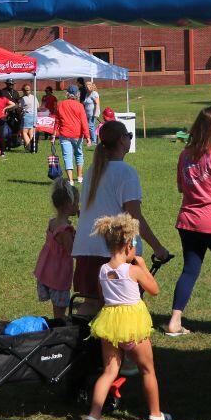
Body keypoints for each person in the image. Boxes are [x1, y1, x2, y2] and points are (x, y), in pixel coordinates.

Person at [72, 120, 169, 316]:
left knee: (91, 303)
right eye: (129, 136)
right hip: (113, 249)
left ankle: (79, 343)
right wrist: (158, 247)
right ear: (122, 141)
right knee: (124, 308)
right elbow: (134, 216)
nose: (130, 139)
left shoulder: (93, 170)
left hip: (87, 247)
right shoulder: (126, 172)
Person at [83, 213, 171, 420]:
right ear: (128, 245)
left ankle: (94, 417)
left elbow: (104, 298)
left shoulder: (103, 270)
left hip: (110, 325)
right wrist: (141, 266)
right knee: (147, 369)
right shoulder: (132, 270)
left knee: (110, 370)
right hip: (132, 325)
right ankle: (155, 415)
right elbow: (155, 290)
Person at [164, 106, 211, 336]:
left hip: (188, 221)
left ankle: (174, 321)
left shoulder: (185, 155)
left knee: (190, 270)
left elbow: (181, 187)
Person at [34, 178, 77, 320]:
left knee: (56, 309)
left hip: (48, 270)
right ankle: (58, 333)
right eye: (76, 202)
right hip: (59, 275)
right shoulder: (66, 231)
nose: (78, 206)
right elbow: (73, 252)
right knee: (60, 314)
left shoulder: (53, 222)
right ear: (68, 205)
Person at [55, 86, 92, 185]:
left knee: (67, 156)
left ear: (67, 93)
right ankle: (80, 177)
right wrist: (88, 137)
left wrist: (54, 134)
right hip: (77, 134)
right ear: (77, 94)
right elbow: (84, 122)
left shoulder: (60, 104)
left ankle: (70, 180)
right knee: (79, 155)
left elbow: (57, 121)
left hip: (64, 134)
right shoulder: (80, 106)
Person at [20, 84, 38, 153]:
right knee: (31, 132)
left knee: (24, 132)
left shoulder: (23, 98)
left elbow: (20, 108)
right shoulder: (34, 97)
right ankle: (33, 147)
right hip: (35, 116)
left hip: (27, 116)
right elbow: (38, 106)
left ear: (23, 91)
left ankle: (28, 147)